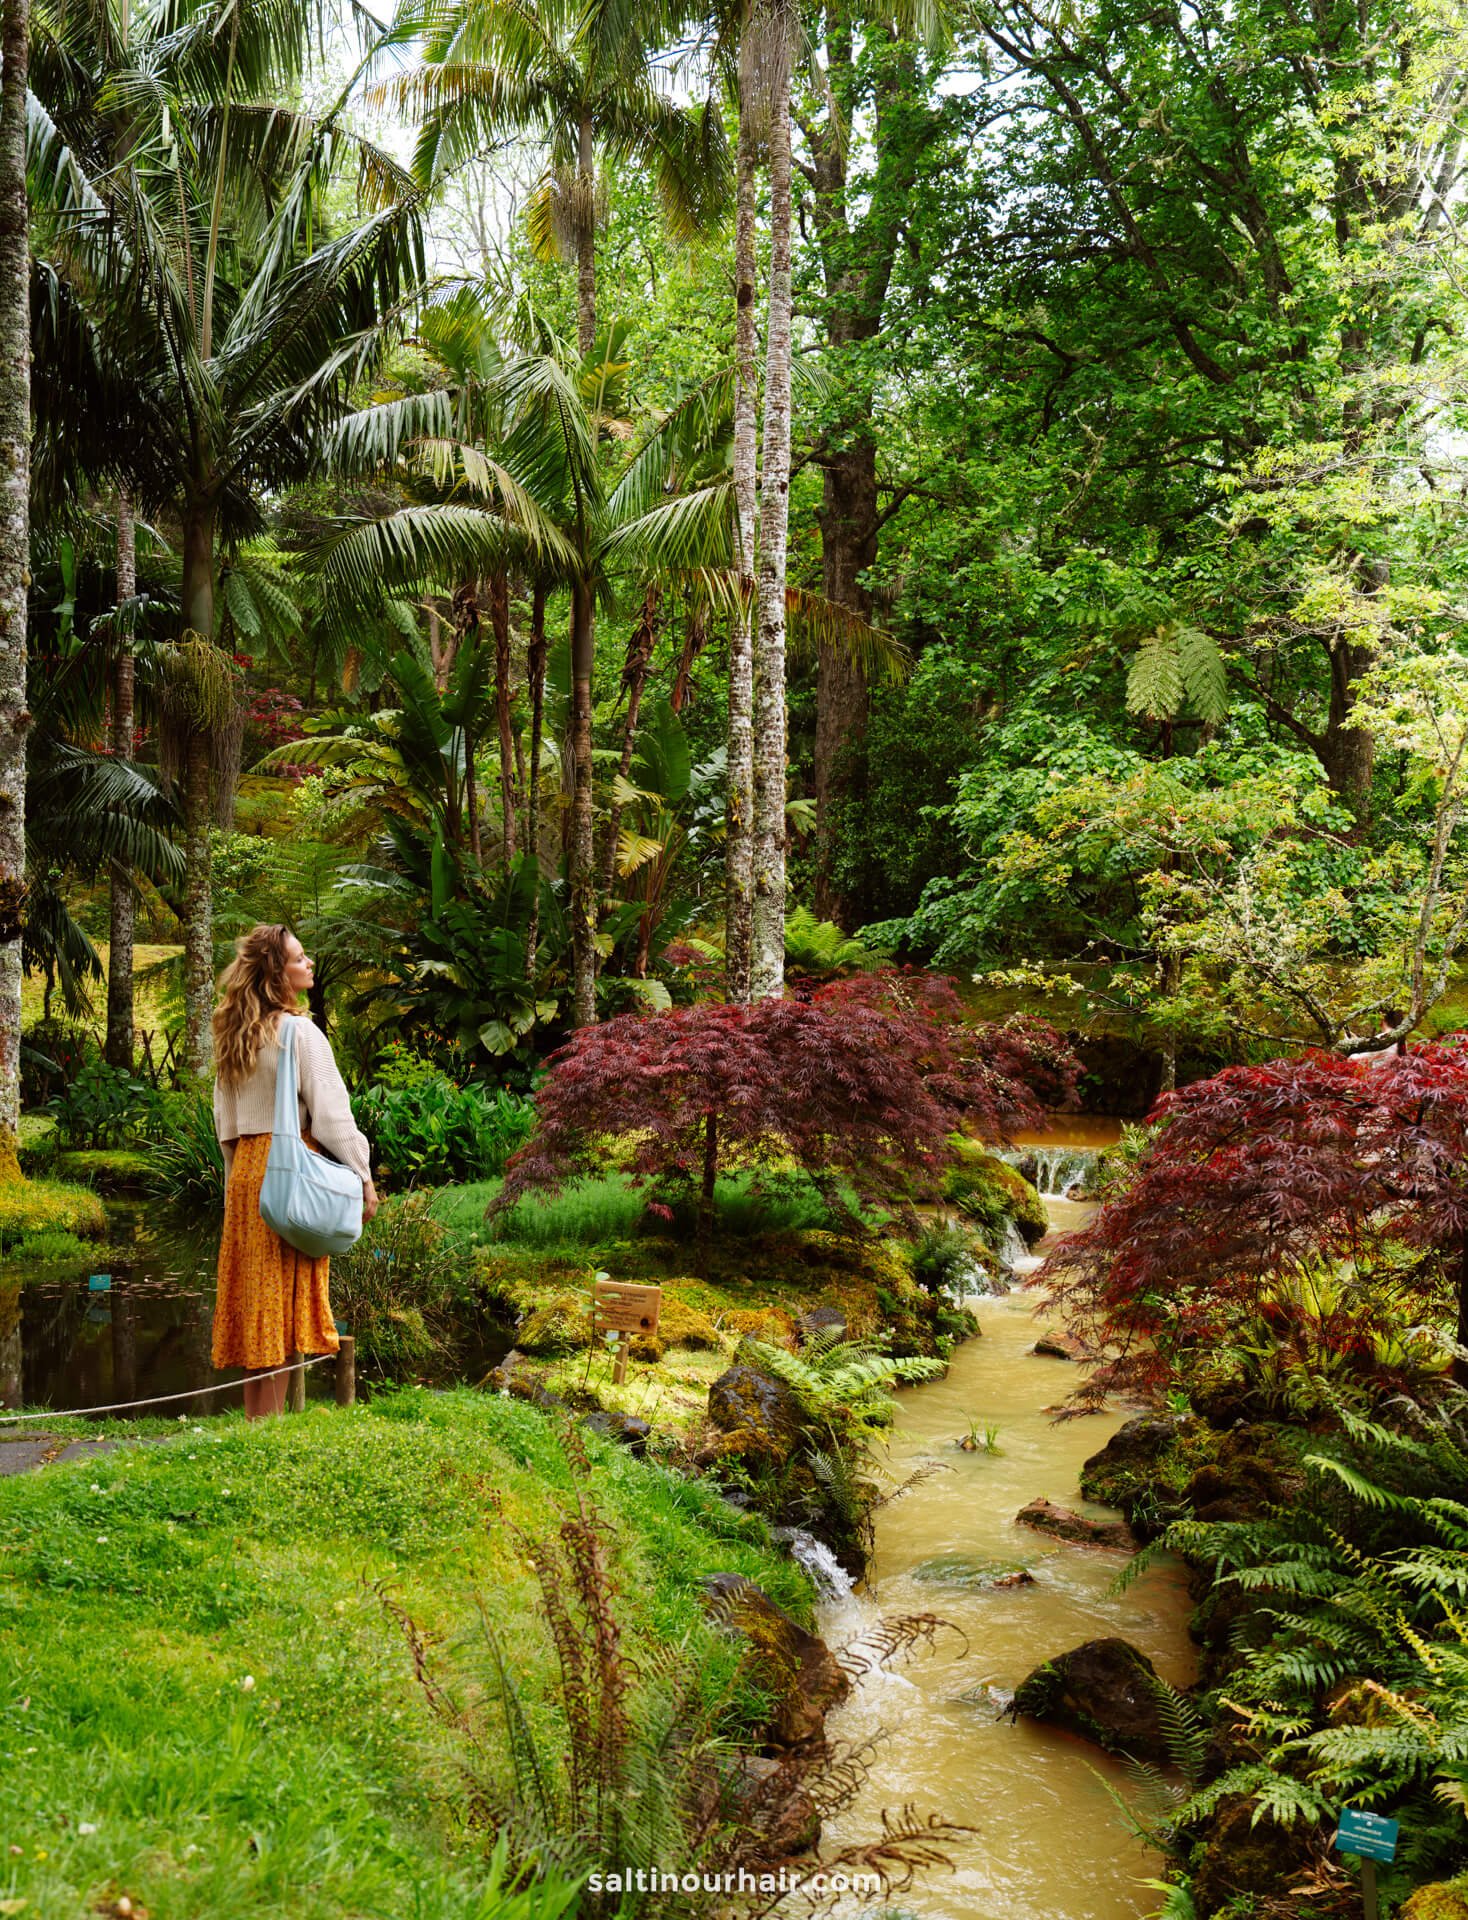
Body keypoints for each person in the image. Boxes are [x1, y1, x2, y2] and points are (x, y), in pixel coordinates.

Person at [211, 925, 377, 1419]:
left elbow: (225, 1124)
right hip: (288, 1168)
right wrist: (363, 1176)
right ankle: (271, 1428)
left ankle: (256, 1423)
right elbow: (331, 1115)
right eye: (299, 959)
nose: (309, 964)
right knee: (280, 1303)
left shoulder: (235, 1035)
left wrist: (234, 1181)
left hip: (246, 1174)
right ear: (276, 974)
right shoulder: (300, 1032)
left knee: (256, 1299)